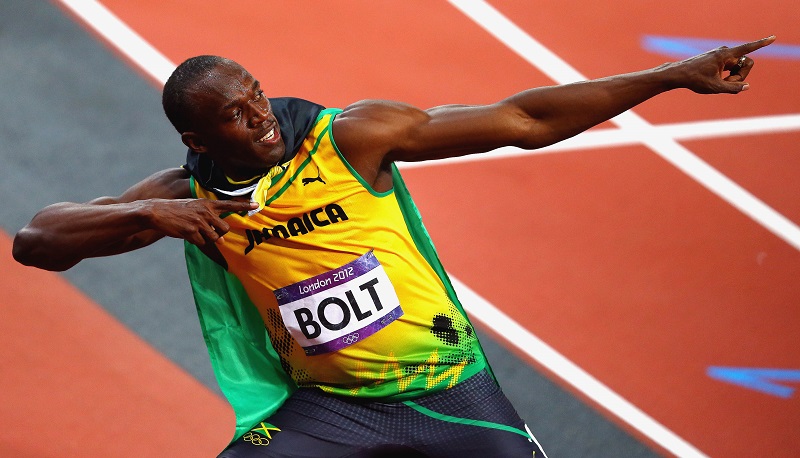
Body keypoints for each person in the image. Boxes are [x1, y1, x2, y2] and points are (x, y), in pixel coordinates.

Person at [13, 36, 775, 457]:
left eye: (257, 97)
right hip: (329, 411)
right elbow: (37, 240)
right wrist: (152, 216)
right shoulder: (190, 197)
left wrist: (673, 75)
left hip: (454, 396)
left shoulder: (350, 138)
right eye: (237, 117)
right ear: (197, 139)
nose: (262, 117)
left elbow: (524, 120)